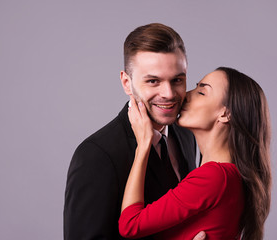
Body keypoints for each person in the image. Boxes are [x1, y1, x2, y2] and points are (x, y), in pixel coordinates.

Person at [64, 23, 206, 240]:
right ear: (126, 83)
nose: (168, 93)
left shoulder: (186, 134)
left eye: (177, 80)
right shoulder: (96, 156)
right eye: (153, 81)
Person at [119, 67, 272, 240]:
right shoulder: (230, 176)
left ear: (225, 113)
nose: (185, 95)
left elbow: (130, 224)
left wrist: (143, 145)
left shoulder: (214, 177)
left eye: (201, 92)